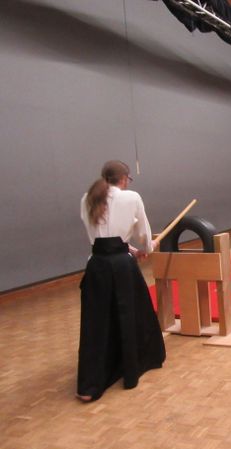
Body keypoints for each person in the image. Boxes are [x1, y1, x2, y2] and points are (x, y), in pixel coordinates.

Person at [77, 160, 166, 402]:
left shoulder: (87, 198)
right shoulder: (132, 197)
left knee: (97, 321)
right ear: (124, 178)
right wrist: (149, 246)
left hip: (97, 265)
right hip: (121, 266)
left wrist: (132, 249)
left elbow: (105, 239)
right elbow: (143, 234)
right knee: (129, 313)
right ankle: (131, 369)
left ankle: (90, 384)